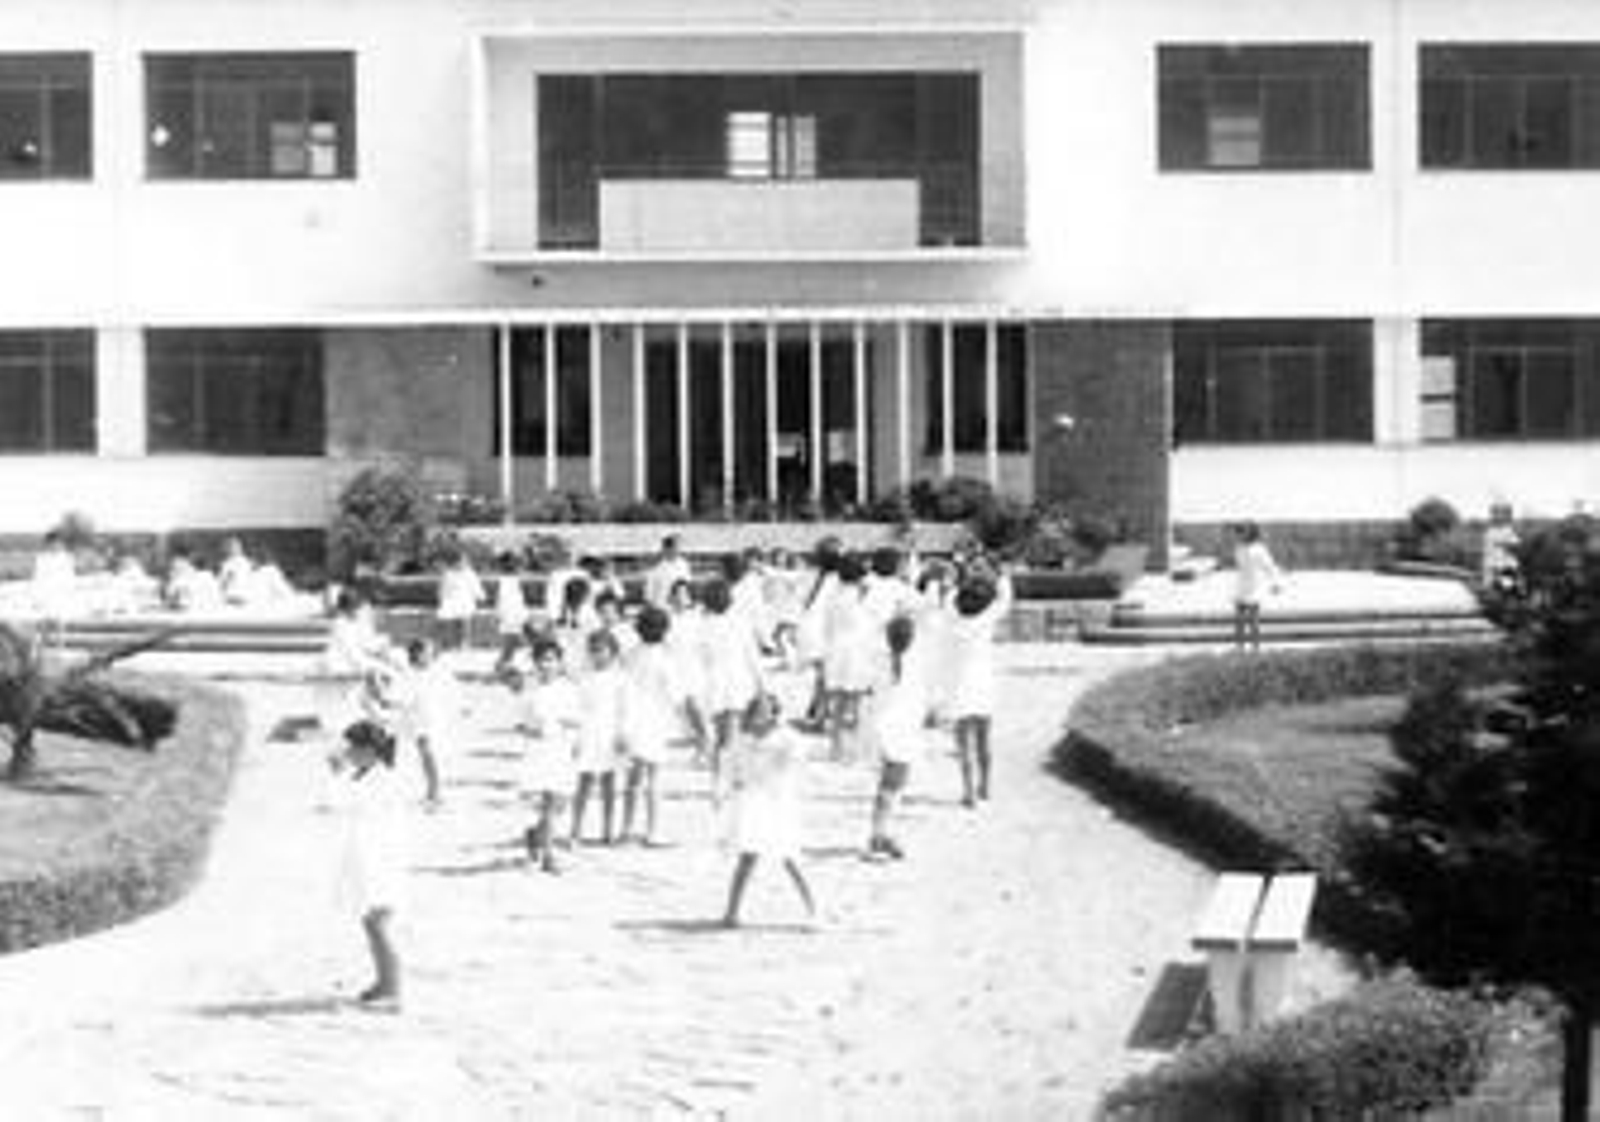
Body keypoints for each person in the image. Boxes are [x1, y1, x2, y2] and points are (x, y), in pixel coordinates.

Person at [329, 719, 410, 1012]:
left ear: (369, 750)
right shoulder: (363, 775)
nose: (348, 751)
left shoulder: (382, 779)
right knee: (370, 921)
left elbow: (342, 804)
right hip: (366, 855)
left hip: (380, 858)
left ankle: (394, 990)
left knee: (378, 922)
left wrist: (336, 774)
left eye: (353, 747)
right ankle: (383, 982)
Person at [721, 693, 818, 929]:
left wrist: (782, 733)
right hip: (753, 803)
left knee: (790, 858)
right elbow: (732, 769)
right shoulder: (742, 740)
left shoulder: (786, 738)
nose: (761, 718)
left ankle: (814, 909)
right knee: (747, 857)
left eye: (767, 712)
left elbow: (796, 759)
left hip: (778, 803)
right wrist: (734, 786)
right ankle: (732, 912)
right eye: (756, 712)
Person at [620, 605, 703, 846]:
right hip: (656, 722)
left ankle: (626, 829)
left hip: (631, 719)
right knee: (654, 779)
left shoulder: (630, 655)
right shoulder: (665, 660)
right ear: (665, 630)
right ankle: (653, 831)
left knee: (633, 780)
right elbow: (678, 697)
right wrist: (693, 729)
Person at [946, 566, 1014, 808]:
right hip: (983, 683)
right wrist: (1002, 574)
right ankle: (985, 785)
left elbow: (949, 599)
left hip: (958, 685)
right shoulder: (986, 620)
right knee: (984, 740)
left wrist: (955, 581)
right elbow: (1005, 600)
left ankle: (968, 792)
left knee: (963, 743)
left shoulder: (952, 619)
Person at [865, 615, 932, 860]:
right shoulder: (916, 662)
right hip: (902, 730)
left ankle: (882, 833)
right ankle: (878, 836)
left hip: (881, 726)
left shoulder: (879, 660)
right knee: (892, 787)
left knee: (889, 785)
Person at [697, 577, 766, 803]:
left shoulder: (702, 626)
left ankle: (720, 780)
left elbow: (699, 660)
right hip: (736, 681)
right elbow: (753, 659)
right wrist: (762, 688)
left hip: (713, 682)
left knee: (721, 736)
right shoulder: (740, 623)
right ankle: (731, 778)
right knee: (732, 734)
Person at [516, 635, 581, 874]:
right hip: (536, 751)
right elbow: (520, 723)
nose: (546, 665)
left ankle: (542, 845)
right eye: (542, 660)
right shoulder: (529, 690)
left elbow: (576, 720)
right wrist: (532, 729)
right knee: (541, 804)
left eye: (551, 660)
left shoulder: (568, 690)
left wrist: (569, 733)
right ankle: (546, 853)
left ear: (560, 662)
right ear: (534, 663)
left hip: (560, 750)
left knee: (556, 803)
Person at [570, 628, 626, 846]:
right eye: (593, 650)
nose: (597, 655)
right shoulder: (584, 678)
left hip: (610, 733)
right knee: (583, 783)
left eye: (602, 650)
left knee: (609, 785)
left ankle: (608, 830)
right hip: (588, 732)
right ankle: (576, 830)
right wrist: (576, 737)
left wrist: (622, 733)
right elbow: (577, 708)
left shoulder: (620, 678)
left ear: (613, 652)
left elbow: (624, 709)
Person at [395, 637, 460, 810]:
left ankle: (435, 792)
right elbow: (403, 698)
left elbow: (451, 691)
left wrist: (459, 706)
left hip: (433, 718)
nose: (431, 655)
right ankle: (433, 791)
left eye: (432, 652)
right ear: (416, 655)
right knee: (426, 755)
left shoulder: (438, 671)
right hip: (418, 719)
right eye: (426, 652)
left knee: (430, 754)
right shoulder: (408, 674)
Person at [1230, 520, 1284, 653]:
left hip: (1255, 588)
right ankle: (1240, 648)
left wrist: (1276, 583)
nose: (1238, 536)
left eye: (1241, 533)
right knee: (1239, 621)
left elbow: (1270, 567)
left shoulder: (1260, 549)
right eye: (1238, 533)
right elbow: (1240, 567)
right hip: (1241, 587)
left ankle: (1255, 648)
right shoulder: (1239, 548)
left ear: (1249, 533)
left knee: (1253, 621)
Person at [435, 550, 485, 653]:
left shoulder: (470, 573)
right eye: (458, 561)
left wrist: (481, 596)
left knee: (465, 622)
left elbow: (475, 586)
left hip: (465, 599)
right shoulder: (448, 574)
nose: (461, 564)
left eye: (463, 561)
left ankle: (465, 643)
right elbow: (444, 588)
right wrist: (441, 598)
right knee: (453, 622)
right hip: (452, 600)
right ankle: (454, 643)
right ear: (454, 562)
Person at [491, 555, 530, 677]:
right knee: (511, 642)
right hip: (509, 614)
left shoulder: (515, 580)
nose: (515, 567)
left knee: (513, 642)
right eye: (512, 564)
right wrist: (498, 615)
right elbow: (500, 600)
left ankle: (503, 664)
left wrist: (523, 614)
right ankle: (503, 665)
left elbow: (519, 599)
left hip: (515, 613)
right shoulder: (503, 581)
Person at [643, 534, 692, 610]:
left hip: (682, 608)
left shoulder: (683, 564)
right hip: (662, 610)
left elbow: (684, 583)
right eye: (677, 547)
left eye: (679, 547)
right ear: (667, 549)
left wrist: (679, 598)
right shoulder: (655, 569)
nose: (679, 550)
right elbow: (649, 595)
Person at [1481, 502, 1521, 592]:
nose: (1499, 517)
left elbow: (1515, 544)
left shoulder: (1509, 530)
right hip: (1493, 566)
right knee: (1493, 587)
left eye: (1502, 514)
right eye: (1496, 514)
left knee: (1509, 587)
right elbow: (1489, 550)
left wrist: (1505, 544)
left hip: (1507, 566)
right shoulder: (1490, 532)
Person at [217, 536, 256, 606]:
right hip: (246, 597)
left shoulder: (229, 563)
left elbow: (223, 582)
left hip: (233, 597)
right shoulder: (247, 562)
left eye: (237, 546)